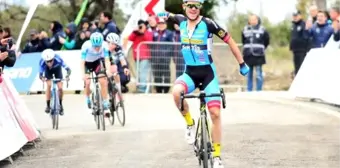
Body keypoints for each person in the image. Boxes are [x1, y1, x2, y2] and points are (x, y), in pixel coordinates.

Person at [157, 0, 249, 167]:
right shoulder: (180, 20)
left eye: (196, 6)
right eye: (190, 6)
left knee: (215, 113)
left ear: (200, 8)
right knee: (176, 93)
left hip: (208, 74)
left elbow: (230, 40)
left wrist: (241, 63)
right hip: (190, 73)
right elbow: (168, 16)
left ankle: (217, 157)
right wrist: (162, 15)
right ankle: (190, 124)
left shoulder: (209, 24)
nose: (193, 9)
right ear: (184, 7)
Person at [81, 32, 112, 117]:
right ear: (91, 43)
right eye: (95, 46)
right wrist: (83, 74)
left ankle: (105, 102)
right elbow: (82, 62)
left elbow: (106, 60)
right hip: (87, 63)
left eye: (99, 46)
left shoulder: (105, 45)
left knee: (102, 80)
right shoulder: (86, 46)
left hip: (97, 63)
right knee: (87, 82)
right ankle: (87, 98)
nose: (97, 48)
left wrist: (108, 70)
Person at [39, 49, 71, 115]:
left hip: (57, 70)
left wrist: (67, 76)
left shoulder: (58, 59)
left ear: (53, 58)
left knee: (60, 88)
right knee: (49, 85)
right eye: (47, 61)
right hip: (48, 71)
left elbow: (68, 69)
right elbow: (40, 74)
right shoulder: (42, 62)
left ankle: (61, 104)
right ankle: (48, 105)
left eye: (51, 61)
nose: (49, 63)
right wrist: (42, 78)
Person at [105, 32, 130, 99]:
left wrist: (125, 67)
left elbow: (122, 59)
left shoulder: (118, 49)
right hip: (104, 63)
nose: (113, 46)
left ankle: (119, 92)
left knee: (116, 73)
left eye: (115, 44)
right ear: (107, 42)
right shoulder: (103, 48)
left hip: (113, 64)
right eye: (112, 44)